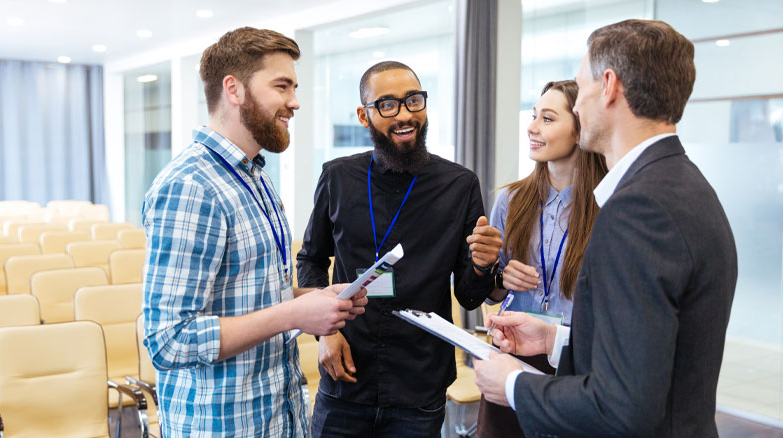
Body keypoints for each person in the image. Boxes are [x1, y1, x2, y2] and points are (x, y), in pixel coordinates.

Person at [473, 19, 738, 437]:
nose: (577, 107)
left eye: (583, 88)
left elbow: (623, 406)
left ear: (609, 85)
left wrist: (513, 383)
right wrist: (555, 339)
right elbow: (648, 355)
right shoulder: (683, 184)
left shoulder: (638, 208)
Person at [141, 27, 367, 437]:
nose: (294, 102)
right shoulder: (191, 186)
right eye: (282, 86)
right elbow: (168, 340)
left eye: (294, 87)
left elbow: (250, 295)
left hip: (277, 415)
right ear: (234, 89)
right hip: (221, 425)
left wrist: (313, 298)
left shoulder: (255, 178)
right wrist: (293, 314)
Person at [296, 61, 495, 438]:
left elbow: (469, 297)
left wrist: (484, 266)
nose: (405, 115)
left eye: (413, 100)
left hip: (418, 384)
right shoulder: (338, 176)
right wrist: (326, 332)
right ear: (364, 115)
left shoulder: (460, 185)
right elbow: (311, 259)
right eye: (387, 105)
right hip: (345, 375)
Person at [467, 80, 607, 438]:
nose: (532, 127)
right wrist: (499, 278)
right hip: (514, 354)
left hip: (577, 363)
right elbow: (490, 294)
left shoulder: (608, 207)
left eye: (547, 118)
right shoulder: (511, 201)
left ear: (580, 130)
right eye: (533, 116)